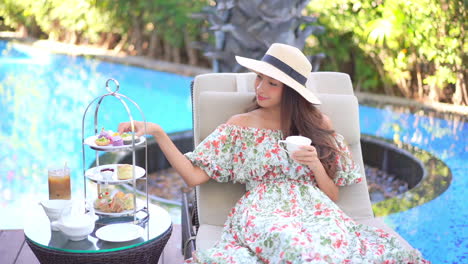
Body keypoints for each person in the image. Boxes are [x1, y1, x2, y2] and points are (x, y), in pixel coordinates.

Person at [118, 43, 429, 263]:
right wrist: (158, 132)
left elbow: (332, 195)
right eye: (259, 78)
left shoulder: (319, 125)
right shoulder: (240, 126)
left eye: (272, 83)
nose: (260, 88)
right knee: (296, 249)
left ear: (291, 91)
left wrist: (315, 165)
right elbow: (193, 175)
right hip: (264, 210)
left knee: (333, 249)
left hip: (317, 210)